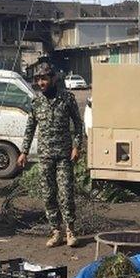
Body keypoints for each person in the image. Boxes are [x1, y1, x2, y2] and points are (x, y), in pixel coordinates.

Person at [17, 62, 85, 248]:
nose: (41, 82)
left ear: (53, 79)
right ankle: (56, 232)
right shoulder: (36, 102)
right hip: (45, 156)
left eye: (44, 78)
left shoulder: (67, 99)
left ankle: (70, 231)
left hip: (64, 155)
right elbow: (30, 128)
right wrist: (23, 151)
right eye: (38, 79)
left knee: (66, 194)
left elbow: (78, 125)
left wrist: (77, 147)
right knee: (48, 195)